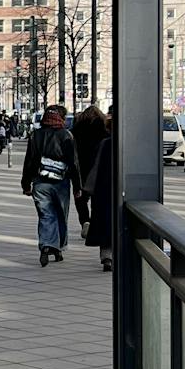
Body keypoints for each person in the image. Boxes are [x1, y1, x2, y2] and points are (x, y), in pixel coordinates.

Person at [21, 104, 81, 265]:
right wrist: (77, 186)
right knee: (61, 214)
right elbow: (73, 163)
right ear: (61, 118)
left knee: (46, 214)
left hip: (40, 182)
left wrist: (26, 184)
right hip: (61, 182)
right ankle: (58, 247)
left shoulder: (35, 135)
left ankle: (46, 245)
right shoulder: (66, 135)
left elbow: (29, 161)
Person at [84, 111, 115, 272]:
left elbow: (94, 168)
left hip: (103, 191)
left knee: (104, 223)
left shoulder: (104, 144)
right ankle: (116, 255)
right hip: (121, 191)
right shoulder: (128, 145)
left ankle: (107, 256)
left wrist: (89, 189)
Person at [70, 105, 107, 226]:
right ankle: (96, 222)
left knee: (80, 197)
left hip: (81, 167)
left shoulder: (76, 130)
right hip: (99, 168)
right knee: (98, 197)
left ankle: (85, 220)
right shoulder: (104, 131)